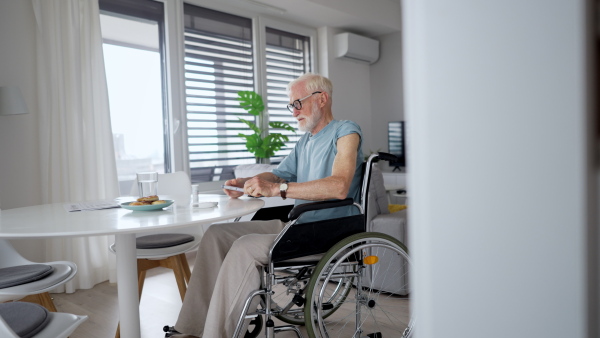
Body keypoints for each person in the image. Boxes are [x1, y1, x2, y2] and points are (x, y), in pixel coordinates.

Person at [167, 73, 364, 338]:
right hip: (298, 224)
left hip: (328, 230)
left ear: (322, 99)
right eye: (290, 106)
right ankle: (191, 328)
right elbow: (279, 174)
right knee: (216, 234)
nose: (293, 112)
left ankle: (216, 334)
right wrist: (248, 181)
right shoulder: (304, 142)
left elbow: (339, 186)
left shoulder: (346, 131)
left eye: (297, 103)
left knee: (244, 247)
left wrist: (278, 189)